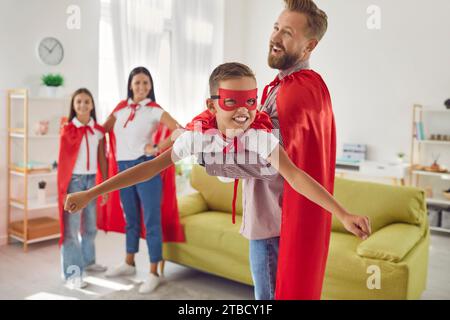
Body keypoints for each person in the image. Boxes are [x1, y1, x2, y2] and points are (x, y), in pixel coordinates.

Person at [64, 64, 371, 296]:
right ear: (211, 105)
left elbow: (295, 175)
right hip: (209, 149)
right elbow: (149, 167)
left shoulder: (259, 133)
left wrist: (342, 213)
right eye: (231, 102)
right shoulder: (199, 136)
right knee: (181, 136)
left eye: (250, 101)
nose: (243, 111)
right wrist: (92, 192)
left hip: (240, 167)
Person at [244, 0, 338, 299]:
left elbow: (268, 160)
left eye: (287, 33)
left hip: (274, 225)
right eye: (275, 28)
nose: (275, 37)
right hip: (273, 220)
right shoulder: (292, 87)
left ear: (309, 46)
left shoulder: (295, 92)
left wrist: (211, 151)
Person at [101, 66, 184, 294]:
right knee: (131, 218)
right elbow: (101, 130)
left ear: (151, 86)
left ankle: (154, 271)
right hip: (122, 169)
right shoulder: (120, 109)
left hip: (145, 168)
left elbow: (178, 129)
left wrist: (157, 147)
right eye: (137, 82)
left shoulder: (154, 110)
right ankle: (129, 263)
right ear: (130, 85)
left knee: (151, 220)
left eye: (146, 83)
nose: (141, 87)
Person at [57, 88, 108, 289]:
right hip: (74, 183)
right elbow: (63, 161)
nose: (83, 105)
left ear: (92, 105)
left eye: (87, 101)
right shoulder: (68, 129)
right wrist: (64, 191)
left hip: (92, 182)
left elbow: (103, 158)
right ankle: (72, 273)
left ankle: (89, 261)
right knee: (71, 229)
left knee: (90, 226)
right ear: (73, 105)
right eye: (78, 102)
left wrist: (103, 185)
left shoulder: (98, 131)